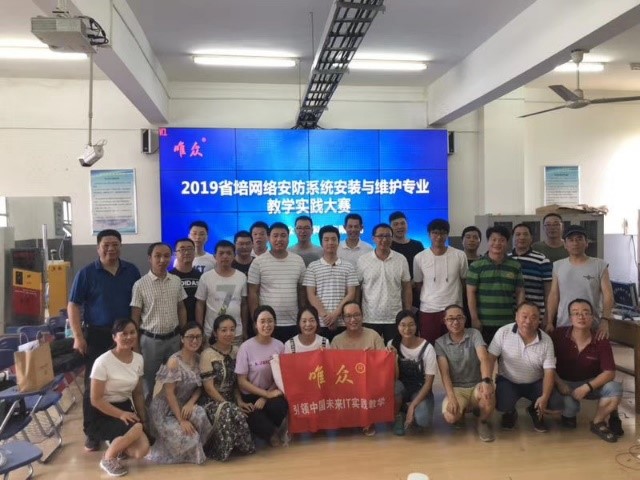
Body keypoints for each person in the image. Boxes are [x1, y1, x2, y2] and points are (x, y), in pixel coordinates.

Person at [68, 229, 141, 452]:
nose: (111, 248)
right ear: (98, 247)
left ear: (121, 246)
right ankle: (92, 433)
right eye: (106, 245)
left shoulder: (131, 270)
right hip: (97, 335)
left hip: (125, 336)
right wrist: (78, 336)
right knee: (94, 384)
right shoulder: (87, 273)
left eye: (115, 244)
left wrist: (135, 334)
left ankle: (117, 426)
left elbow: (137, 304)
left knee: (123, 381)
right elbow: (74, 305)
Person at [552, 299, 623, 442]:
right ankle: (568, 414)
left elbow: (609, 372)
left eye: (586, 313)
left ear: (592, 317)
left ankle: (598, 422)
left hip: (590, 383)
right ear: (570, 318)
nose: (581, 317)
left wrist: (587, 387)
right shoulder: (557, 335)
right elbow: (545, 364)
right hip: (564, 384)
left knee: (614, 388)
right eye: (576, 313)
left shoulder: (601, 339)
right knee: (570, 410)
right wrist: (559, 383)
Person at [488, 302, 561, 433]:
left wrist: (545, 396)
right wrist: (487, 381)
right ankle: (510, 412)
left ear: (539, 320)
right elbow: (490, 358)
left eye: (533, 317)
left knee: (555, 402)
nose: (528, 321)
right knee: (500, 403)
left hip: (535, 381)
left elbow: (549, 371)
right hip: (508, 380)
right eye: (524, 316)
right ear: (516, 316)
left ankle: (535, 410)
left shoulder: (546, 340)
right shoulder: (503, 332)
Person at [89, 318, 149, 477]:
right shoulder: (102, 362)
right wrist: (121, 414)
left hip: (124, 406)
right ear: (114, 337)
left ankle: (116, 442)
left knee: (140, 451)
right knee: (136, 428)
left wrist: (143, 418)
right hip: (102, 410)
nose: (129, 337)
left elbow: (138, 393)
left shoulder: (138, 359)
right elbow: (95, 399)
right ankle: (108, 458)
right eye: (124, 333)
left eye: (132, 332)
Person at [146, 322, 212, 465]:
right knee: (191, 439)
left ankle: (197, 445)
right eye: (190, 337)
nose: (195, 340)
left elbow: (200, 387)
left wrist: (191, 402)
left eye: (198, 337)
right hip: (165, 409)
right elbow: (169, 394)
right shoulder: (174, 361)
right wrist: (181, 421)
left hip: (184, 405)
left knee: (200, 414)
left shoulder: (200, 359)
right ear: (182, 339)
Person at [131, 242, 187, 397]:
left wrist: (183, 335)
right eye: (157, 256)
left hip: (174, 339)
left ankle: (172, 408)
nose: (162, 260)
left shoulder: (176, 281)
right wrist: (135, 344)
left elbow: (181, 308)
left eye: (166, 256)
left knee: (176, 379)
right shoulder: (140, 284)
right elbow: (135, 315)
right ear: (150, 258)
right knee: (148, 381)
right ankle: (146, 410)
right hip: (150, 342)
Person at [435, 305, 496, 442]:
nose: (455, 322)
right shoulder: (440, 343)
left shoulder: (474, 334)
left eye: (459, 318)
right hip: (457, 388)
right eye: (450, 319)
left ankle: (482, 422)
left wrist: (486, 381)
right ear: (444, 321)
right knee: (451, 417)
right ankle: (462, 411)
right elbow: (445, 373)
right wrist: (451, 397)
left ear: (465, 319)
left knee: (488, 395)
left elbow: (484, 358)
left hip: (476, 385)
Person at [199, 314, 255, 461]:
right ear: (215, 333)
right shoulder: (207, 354)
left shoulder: (238, 351)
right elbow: (209, 388)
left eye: (232, 329)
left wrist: (239, 401)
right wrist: (227, 404)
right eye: (224, 330)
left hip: (232, 397)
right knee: (229, 411)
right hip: (212, 401)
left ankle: (240, 446)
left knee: (248, 409)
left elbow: (236, 383)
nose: (229, 333)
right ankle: (221, 451)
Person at [546, 224, 614, 340]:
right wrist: (549, 321)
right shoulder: (558, 265)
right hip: (564, 323)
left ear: (586, 243)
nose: (575, 243)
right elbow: (554, 295)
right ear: (565, 244)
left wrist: (605, 320)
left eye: (579, 239)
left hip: (591, 324)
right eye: (571, 240)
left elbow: (608, 295)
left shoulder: (600, 265)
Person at [236, 306, 288, 447]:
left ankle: (271, 429)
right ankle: (269, 433)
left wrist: (266, 396)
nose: (267, 325)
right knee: (253, 416)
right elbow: (241, 382)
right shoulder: (245, 347)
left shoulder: (279, 346)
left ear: (275, 323)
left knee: (279, 406)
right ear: (255, 324)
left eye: (270, 321)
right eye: (262, 321)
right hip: (251, 395)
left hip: (272, 391)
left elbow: (281, 375)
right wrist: (264, 394)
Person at [330, 301, 385, 436]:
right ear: (343, 319)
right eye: (348, 316)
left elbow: (384, 364)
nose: (353, 319)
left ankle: (368, 420)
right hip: (346, 383)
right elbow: (332, 370)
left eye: (356, 315)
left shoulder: (373, 336)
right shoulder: (337, 340)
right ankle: (349, 419)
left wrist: (370, 359)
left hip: (370, 382)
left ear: (362, 315)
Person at [248, 222, 306, 342]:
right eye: (275, 236)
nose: (279, 239)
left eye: (283, 235)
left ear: (289, 238)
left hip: (293, 322)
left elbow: (302, 291)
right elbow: (253, 293)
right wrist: (255, 320)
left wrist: (302, 318)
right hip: (267, 324)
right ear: (269, 238)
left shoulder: (298, 260)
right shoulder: (258, 262)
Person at [467, 225, 525, 344]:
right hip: (483, 323)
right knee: (485, 354)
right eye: (493, 239)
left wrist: (520, 316)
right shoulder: (476, 266)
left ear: (507, 243)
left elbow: (520, 292)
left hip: (508, 322)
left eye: (502, 240)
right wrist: (474, 318)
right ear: (488, 242)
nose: (497, 243)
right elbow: (470, 293)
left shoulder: (515, 265)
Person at [413, 219, 468, 344]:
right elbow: (418, 284)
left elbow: (464, 281)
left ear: (447, 234)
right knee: (430, 346)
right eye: (435, 233)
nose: (439, 236)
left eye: (443, 233)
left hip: (454, 309)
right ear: (429, 234)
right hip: (429, 309)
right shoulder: (419, 257)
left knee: (455, 345)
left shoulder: (459, 255)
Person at [357, 223, 412, 343]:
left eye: (388, 236)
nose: (384, 239)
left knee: (394, 350)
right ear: (373, 238)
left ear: (392, 238)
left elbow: (407, 287)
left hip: (395, 317)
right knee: (371, 350)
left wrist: (407, 312)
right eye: (380, 236)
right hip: (370, 317)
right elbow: (357, 289)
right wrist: (357, 312)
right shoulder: (363, 260)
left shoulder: (401, 259)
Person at [304, 225, 358, 340]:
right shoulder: (313, 267)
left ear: (338, 242)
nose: (330, 242)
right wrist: (326, 316)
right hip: (320, 322)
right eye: (326, 239)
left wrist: (335, 314)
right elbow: (311, 294)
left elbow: (351, 293)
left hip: (343, 321)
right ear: (321, 242)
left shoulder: (348, 266)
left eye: (334, 239)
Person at [388, 310, 436, 437]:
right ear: (397, 326)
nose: (407, 329)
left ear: (417, 325)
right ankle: (398, 415)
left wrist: (413, 406)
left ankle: (410, 409)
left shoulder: (427, 348)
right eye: (403, 325)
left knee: (423, 420)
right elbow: (393, 378)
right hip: (401, 387)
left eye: (411, 325)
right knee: (394, 387)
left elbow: (429, 383)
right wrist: (394, 358)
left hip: (421, 388)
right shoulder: (392, 344)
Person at [195, 240, 248, 344]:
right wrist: (199, 330)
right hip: (211, 333)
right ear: (215, 256)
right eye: (221, 253)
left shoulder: (241, 277)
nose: (225, 256)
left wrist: (245, 329)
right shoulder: (206, 277)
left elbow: (244, 304)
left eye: (228, 253)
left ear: (234, 256)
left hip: (235, 333)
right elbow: (200, 304)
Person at [508, 223, 552, 317]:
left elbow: (549, 292)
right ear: (513, 238)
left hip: (534, 315)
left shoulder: (542, 260)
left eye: (525, 234)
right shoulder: (506, 259)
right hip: (509, 315)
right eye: (518, 234)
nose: (521, 237)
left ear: (531, 238)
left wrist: (547, 316)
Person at [389, 211, 424, 310]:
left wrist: (412, 283)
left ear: (407, 224)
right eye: (395, 224)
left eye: (402, 223)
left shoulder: (417, 245)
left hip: (415, 292)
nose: (400, 227)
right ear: (390, 227)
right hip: (393, 293)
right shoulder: (387, 246)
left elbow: (423, 268)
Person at [169, 238, 202, 323]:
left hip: (196, 323)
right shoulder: (169, 277)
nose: (186, 252)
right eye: (182, 249)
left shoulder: (201, 276)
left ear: (194, 252)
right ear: (175, 253)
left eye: (190, 249)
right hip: (175, 324)